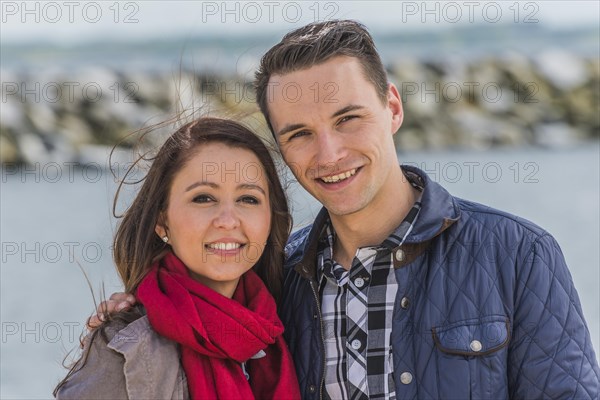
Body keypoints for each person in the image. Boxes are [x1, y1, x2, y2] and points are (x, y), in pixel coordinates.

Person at [90, 20, 600, 399]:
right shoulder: (275, 279)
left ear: (393, 108)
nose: (329, 154)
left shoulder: (517, 255)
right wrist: (133, 314)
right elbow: (200, 319)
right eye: (300, 134)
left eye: (348, 119)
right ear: (282, 149)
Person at [54, 117, 301, 399]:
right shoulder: (127, 348)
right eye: (203, 198)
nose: (228, 220)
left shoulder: (288, 321)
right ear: (162, 221)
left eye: (248, 199)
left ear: (271, 217)